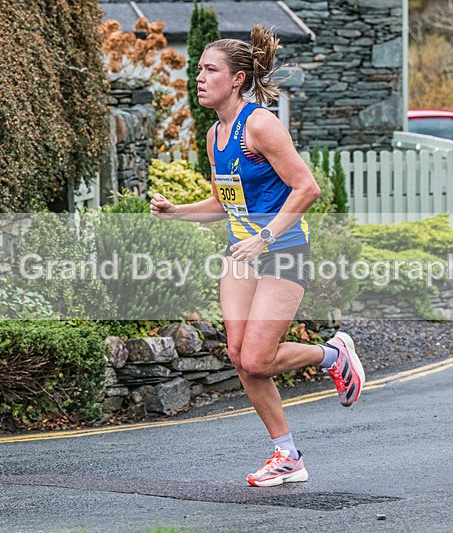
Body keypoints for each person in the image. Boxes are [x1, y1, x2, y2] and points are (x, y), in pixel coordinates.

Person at [150, 25, 365, 487]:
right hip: (241, 254)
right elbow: (222, 205)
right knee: (240, 356)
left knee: (260, 357)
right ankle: (286, 454)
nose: (200, 78)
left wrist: (264, 236)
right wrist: (175, 213)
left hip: (283, 250)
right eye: (199, 69)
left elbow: (307, 188)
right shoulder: (215, 137)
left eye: (210, 70)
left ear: (238, 79)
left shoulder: (260, 125)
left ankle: (333, 356)